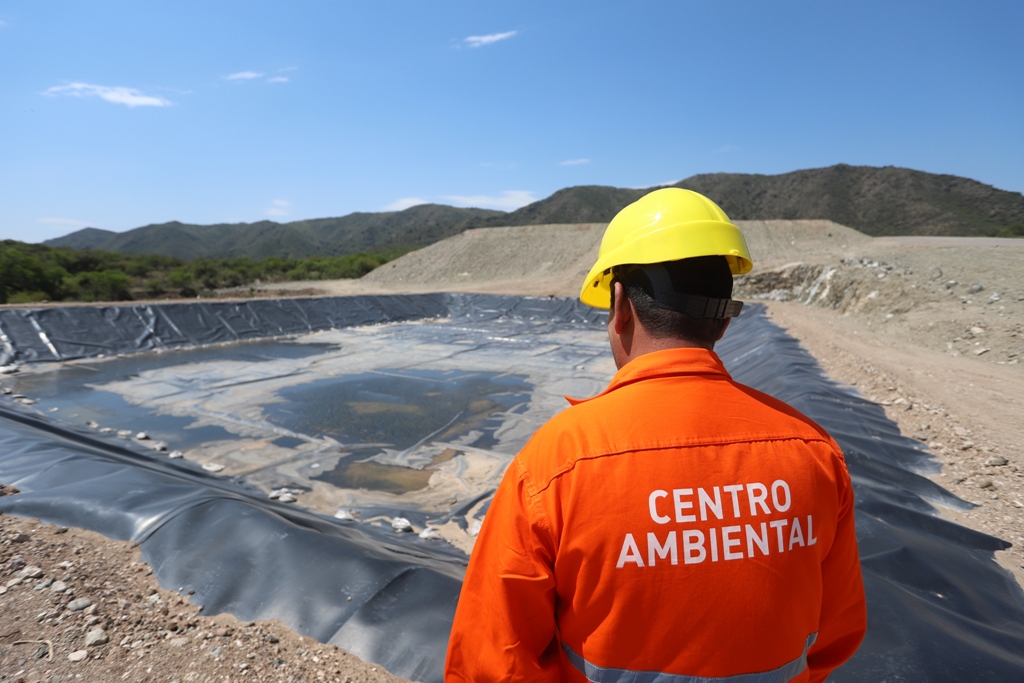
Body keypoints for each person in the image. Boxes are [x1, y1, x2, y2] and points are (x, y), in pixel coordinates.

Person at [444, 188, 866, 683]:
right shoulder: (812, 450)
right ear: (723, 321)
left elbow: (491, 662)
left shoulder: (557, 463)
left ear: (619, 305)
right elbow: (835, 633)